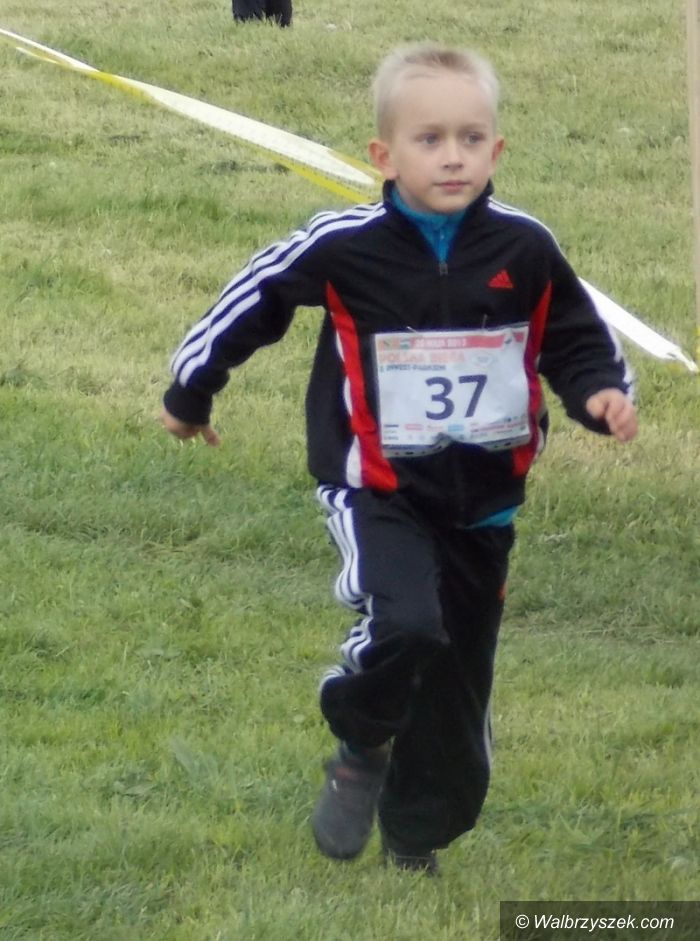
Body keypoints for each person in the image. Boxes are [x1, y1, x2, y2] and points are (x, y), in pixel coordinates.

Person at [160, 43, 637, 874]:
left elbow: (574, 336)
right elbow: (254, 298)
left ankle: (415, 836)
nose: (453, 156)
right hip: (377, 489)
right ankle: (361, 740)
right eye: (429, 139)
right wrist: (191, 390)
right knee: (406, 623)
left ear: (497, 149)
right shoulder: (345, 246)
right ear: (384, 155)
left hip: (485, 501)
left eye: (471, 138)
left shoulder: (525, 247)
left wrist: (600, 393)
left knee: (457, 682)